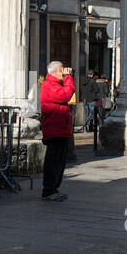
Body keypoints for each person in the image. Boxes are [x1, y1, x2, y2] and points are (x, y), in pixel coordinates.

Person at [40, 60, 75, 200]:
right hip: (54, 130)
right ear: (54, 72)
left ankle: (54, 188)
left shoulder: (56, 85)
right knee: (53, 161)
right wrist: (68, 78)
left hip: (61, 129)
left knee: (60, 161)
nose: (64, 72)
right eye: (61, 70)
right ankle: (48, 190)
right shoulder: (49, 85)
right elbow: (65, 95)